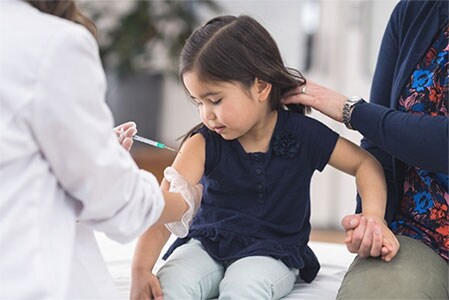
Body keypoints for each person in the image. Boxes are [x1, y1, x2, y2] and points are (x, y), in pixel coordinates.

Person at [130, 15, 399, 300]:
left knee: (243, 288)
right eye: (199, 102)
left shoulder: (302, 133)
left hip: (273, 251)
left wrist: (373, 217)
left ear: (261, 86)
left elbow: (365, 163)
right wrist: (140, 268)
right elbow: (167, 212)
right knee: (171, 283)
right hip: (205, 245)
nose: (206, 115)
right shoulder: (202, 142)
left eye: (216, 100)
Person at [0, 1, 202, 299]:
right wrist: (188, 201)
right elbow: (111, 196)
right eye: (200, 102)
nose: (208, 115)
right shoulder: (53, 43)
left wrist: (94, 151)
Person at [282, 1, 448, 298]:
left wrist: (352, 111)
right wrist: (373, 219)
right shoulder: (414, 10)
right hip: (421, 234)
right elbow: (379, 144)